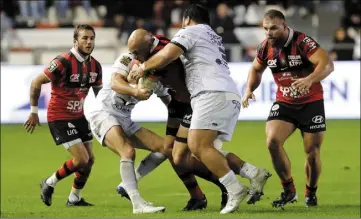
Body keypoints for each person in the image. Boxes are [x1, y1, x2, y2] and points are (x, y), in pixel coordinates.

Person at [129, 4, 268, 214]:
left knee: (199, 146)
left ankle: (234, 188)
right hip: (222, 93)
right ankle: (251, 172)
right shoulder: (212, 35)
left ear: (186, 19)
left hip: (210, 93)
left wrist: (142, 68)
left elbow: (168, 54)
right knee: (184, 154)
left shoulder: (190, 31)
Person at [241, 9, 334, 208]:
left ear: (284, 25)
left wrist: (309, 79)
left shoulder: (302, 42)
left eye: (273, 28)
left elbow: (327, 65)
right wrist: (249, 89)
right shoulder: (265, 47)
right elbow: (256, 69)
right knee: (272, 141)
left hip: (311, 103)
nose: (269, 33)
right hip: (285, 103)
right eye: (266, 29)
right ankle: (289, 190)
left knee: (312, 153)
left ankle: (311, 191)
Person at [24, 24, 103, 207]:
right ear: (75, 41)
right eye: (84, 38)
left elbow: (100, 94)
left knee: (89, 160)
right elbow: (37, 82)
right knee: (81, 159)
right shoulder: (63, 61)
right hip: (59, 116)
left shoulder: (95, 66)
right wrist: (34, 111)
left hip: (79, 115)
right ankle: (49, 182)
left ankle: (74, 198)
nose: (89, 41)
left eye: (91, 38)